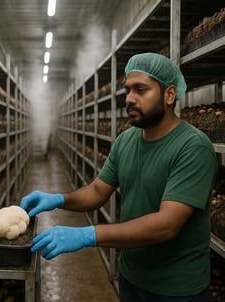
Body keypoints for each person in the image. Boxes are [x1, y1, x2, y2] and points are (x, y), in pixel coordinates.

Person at [21, 53, 218, 301]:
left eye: (141, 90)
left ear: (169, 95)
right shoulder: (126, 140)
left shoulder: (193, 147)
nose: (130, 99)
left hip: (177, 288)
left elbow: (167, 225)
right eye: (127, 90)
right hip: (131, 277)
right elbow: (97, 192)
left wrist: (88, 235)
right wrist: (58, 199)